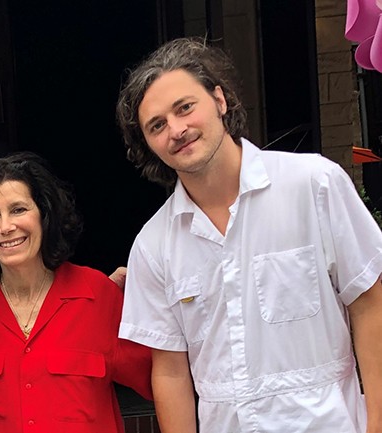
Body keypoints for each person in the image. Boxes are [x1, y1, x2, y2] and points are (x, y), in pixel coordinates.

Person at [115, 37, 382, 433]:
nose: (176, 129)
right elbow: (170, 371)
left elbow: (370, 304)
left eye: (185, 107)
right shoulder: (154, 245)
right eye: (157, 125)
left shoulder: (313, 184)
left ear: (220, 100)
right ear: (149, 145)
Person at [0, 152, 153, 433]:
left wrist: (158, 298)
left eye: (18, 209)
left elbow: (164, 377)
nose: (6, 227)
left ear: (45, 214)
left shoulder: (96, 295)